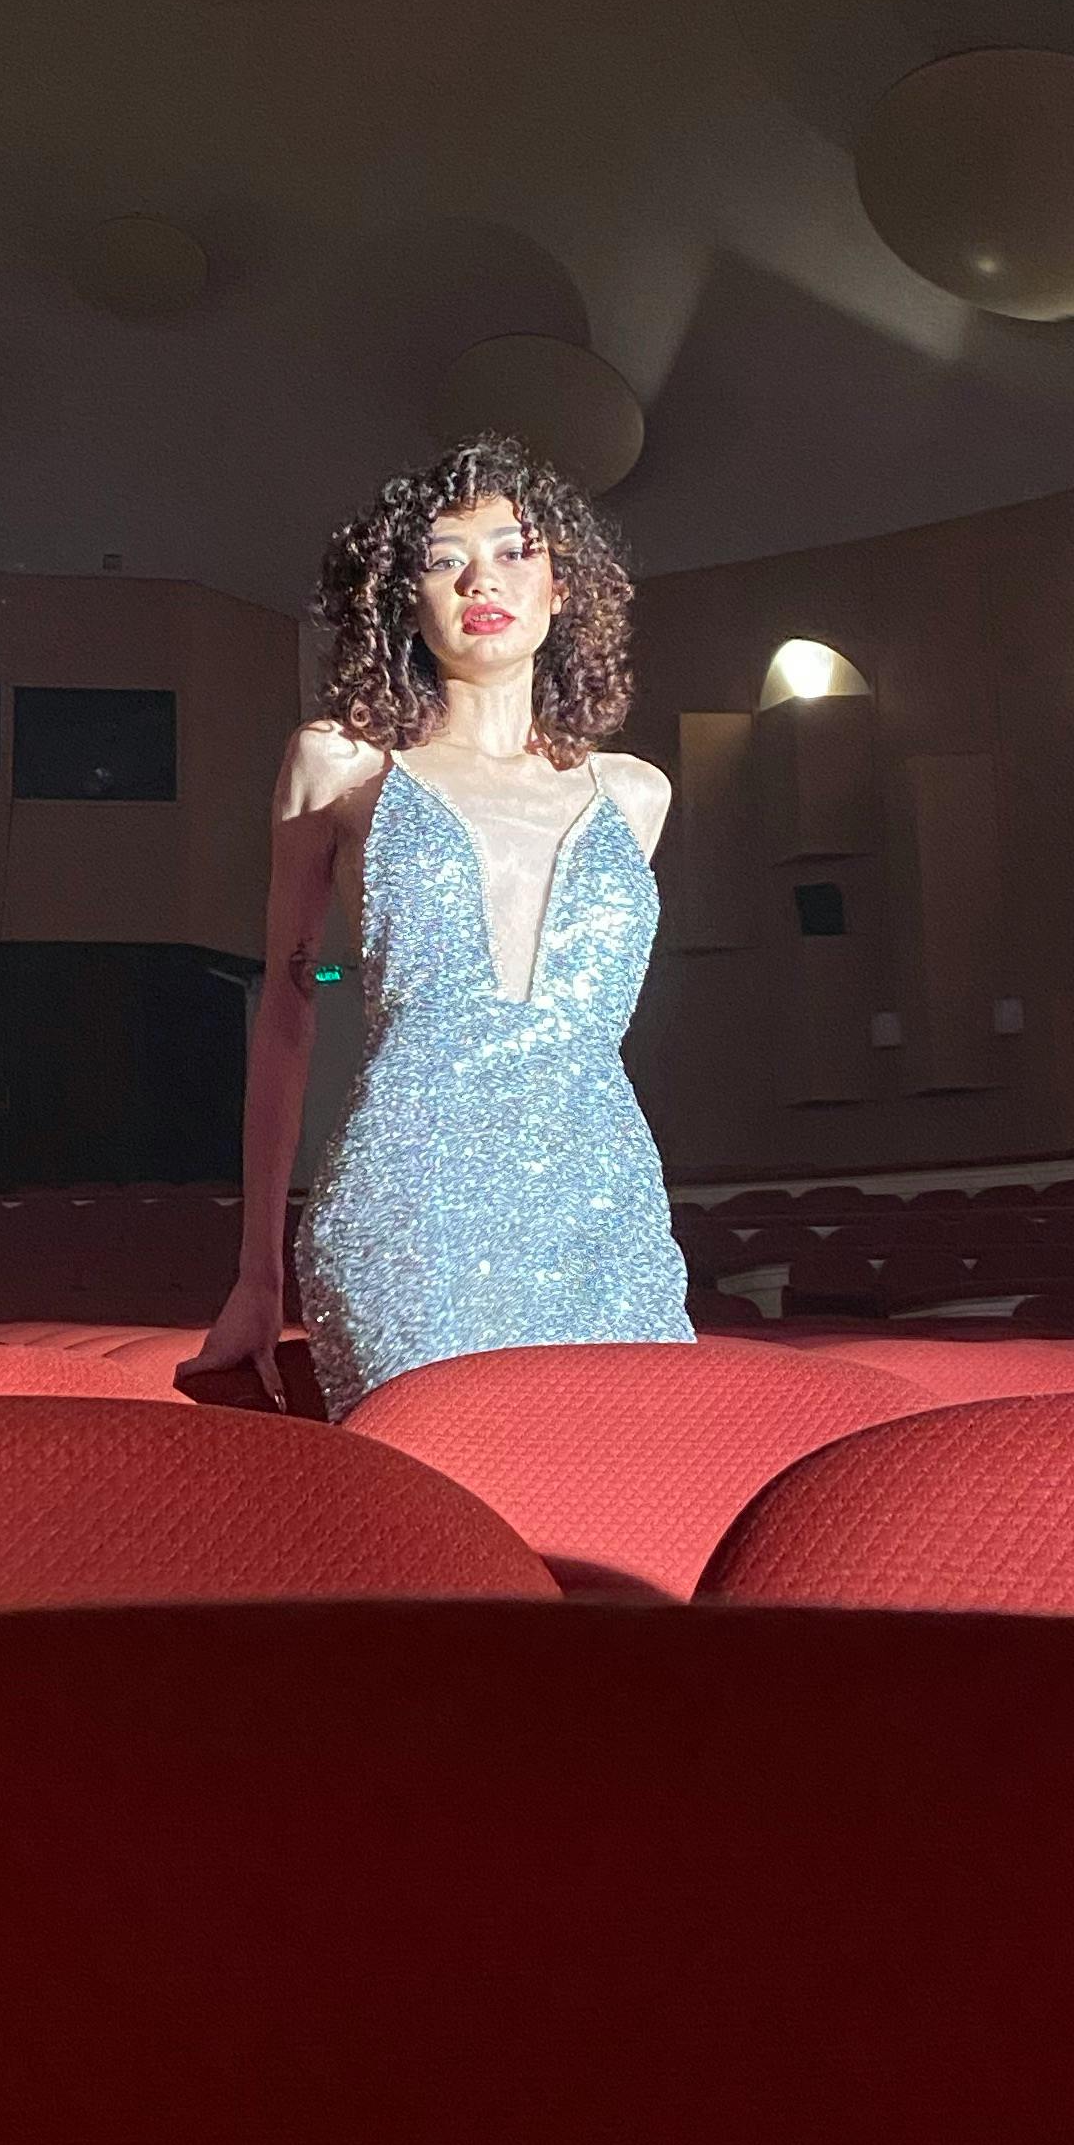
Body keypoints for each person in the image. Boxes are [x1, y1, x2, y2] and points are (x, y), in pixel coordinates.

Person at [192, 433, 692, 1419]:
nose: (481, 580)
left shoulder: (637, 796)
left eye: (514, 550)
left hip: (607, 1219)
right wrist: (258, 1276)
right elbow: (297, 1001)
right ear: (404, 598)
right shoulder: (338, 766)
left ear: (562, 588)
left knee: (629, 1514)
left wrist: (360, 977)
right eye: (443, 558)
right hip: (409, 1216)